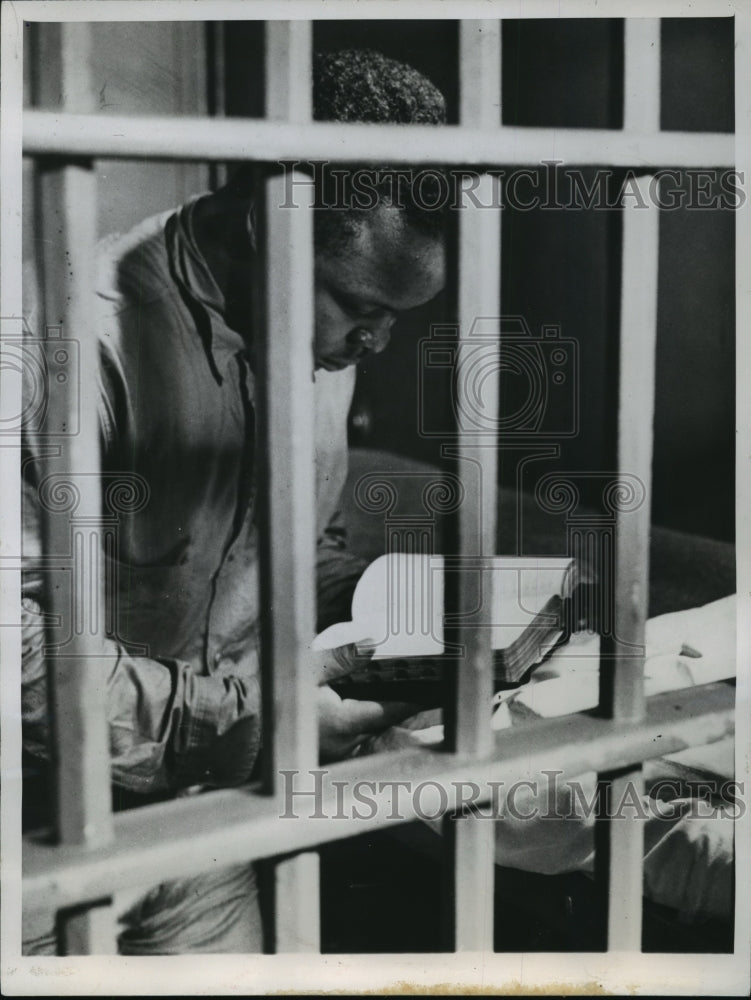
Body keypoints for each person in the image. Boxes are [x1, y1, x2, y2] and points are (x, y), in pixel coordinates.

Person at [21, 49, 447, 954]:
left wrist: (390, 610)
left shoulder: (317, 337)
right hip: (28, 830)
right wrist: (251, 718)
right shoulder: (62, 342)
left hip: (204, 819)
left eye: (398, 316)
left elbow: (275, 547)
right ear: (266, 225)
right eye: (359, 306)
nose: (374, 343)